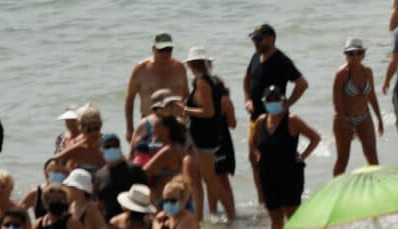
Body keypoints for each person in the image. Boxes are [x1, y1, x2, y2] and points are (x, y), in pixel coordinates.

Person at [248, 85, 318, 229]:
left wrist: (302, 157)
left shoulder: (292, 120)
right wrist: (257, 156)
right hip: (268, 176)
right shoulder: (261, 120)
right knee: (275, 220)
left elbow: (315, 138)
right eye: (269, 100)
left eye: (276, 99)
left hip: (290, 176)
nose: (273, 102)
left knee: (293, 219)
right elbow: (253, 142)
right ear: (264, 102)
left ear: (283, 101)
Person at [182, 48, 237, 223]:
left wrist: (185, 109)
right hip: (204, 137)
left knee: (211, 180)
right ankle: (204, 217)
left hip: (204, 139)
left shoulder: (202, 83)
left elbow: (208, 112)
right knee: (205, 179)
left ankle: (231, 216)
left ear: (191, 64)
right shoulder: (209, 81)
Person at [329, 41, 383, 175]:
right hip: (344, 118)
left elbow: (372, 96)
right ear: (346, 55)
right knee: (343, 159)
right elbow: (337, 103)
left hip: (364, 116)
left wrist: (379, 118)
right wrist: (346, 123)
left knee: (372, 154)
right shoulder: (341, 74)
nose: (355, 56)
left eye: (358, 53)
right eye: (351, 54)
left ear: (363, 55)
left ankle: (373, 186)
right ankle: (336, 189)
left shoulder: (367, 71)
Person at [127, 37, 190, 141]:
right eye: (161, 50)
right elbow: (130, 99)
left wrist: (186, 122)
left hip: (176, 124)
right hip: (149, 124)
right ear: (153, 49)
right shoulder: (141, 69)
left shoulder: (179, 67)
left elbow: (186, 96)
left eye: (169, 49)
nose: (165, 53)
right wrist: (130, 128)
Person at [244, 25, 308, 121]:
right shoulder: (255, 56)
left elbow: (302, 84)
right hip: (255, 118)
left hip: (276, 121)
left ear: (271, 39)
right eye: (254, 39)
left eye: (258, 39)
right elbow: (246, 78)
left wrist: (287, 104)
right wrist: (248, 100)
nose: (255, 42)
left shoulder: (282, 61)